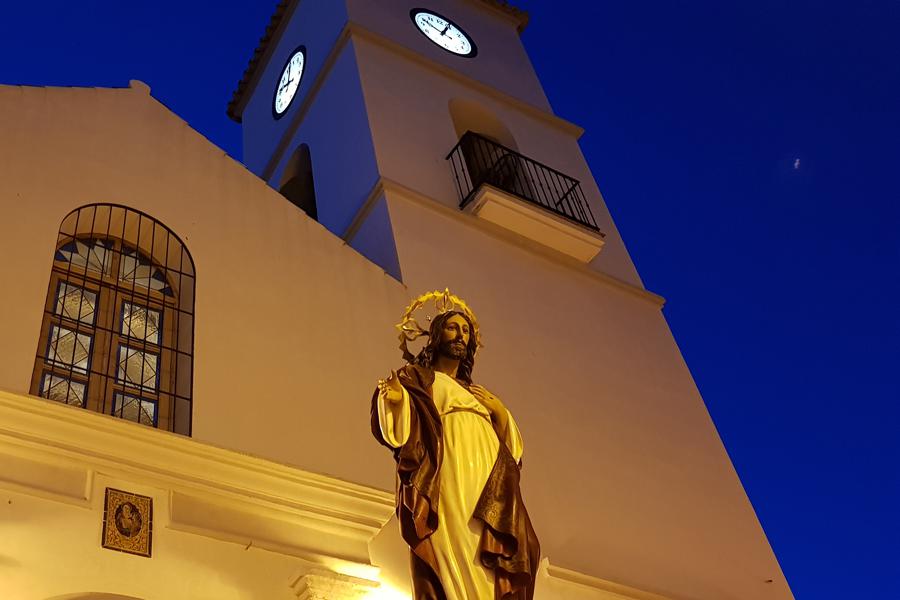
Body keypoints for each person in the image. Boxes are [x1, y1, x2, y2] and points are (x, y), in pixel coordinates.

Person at [371, 294, 539, 600]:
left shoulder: (478, 393)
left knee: (493, 542)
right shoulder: (420, 379)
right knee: (458, 533)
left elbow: (513, 453)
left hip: (491, 478)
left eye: (465, 331)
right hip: (446, 466)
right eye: (452, 328)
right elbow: (400, 433)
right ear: (436, 336)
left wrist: (499, 412)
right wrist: (395, 400)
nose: (460, 335)